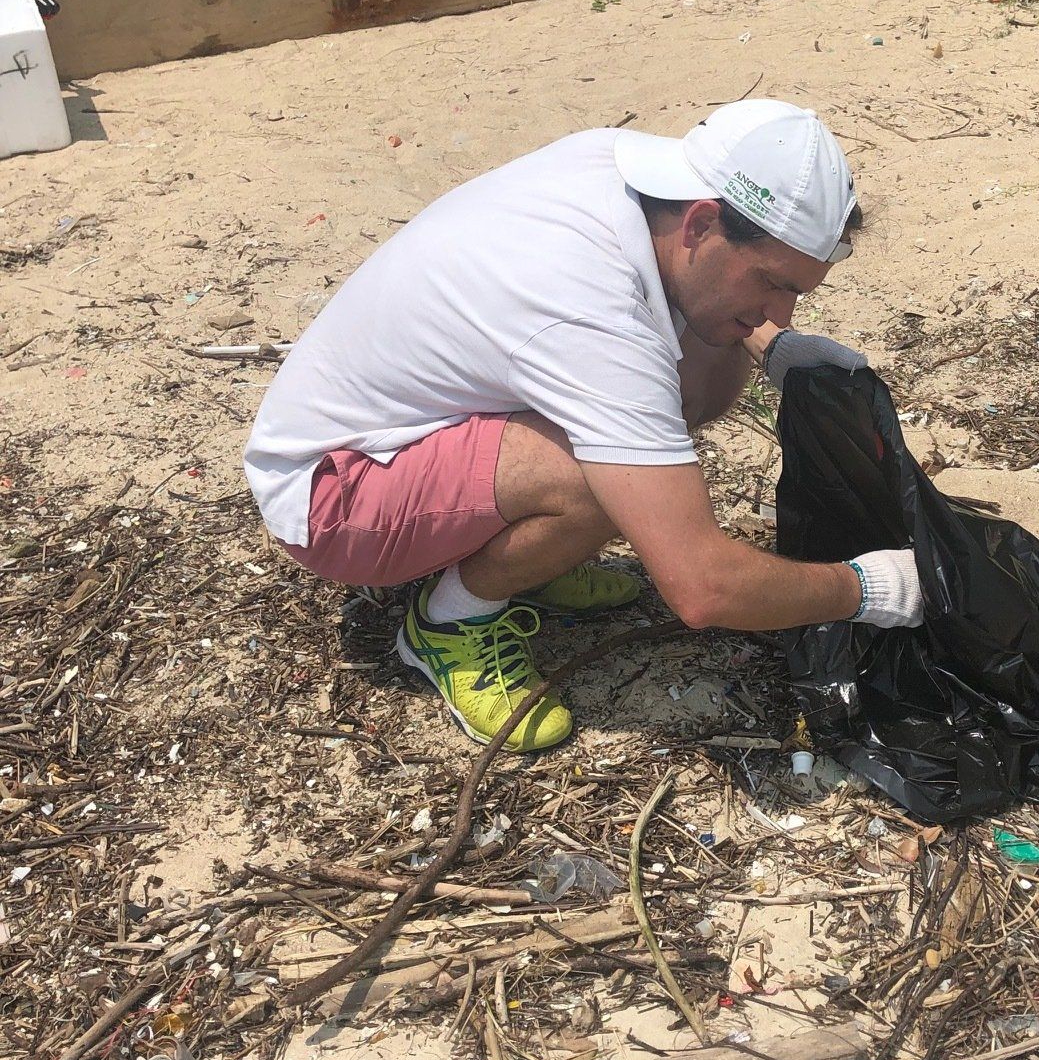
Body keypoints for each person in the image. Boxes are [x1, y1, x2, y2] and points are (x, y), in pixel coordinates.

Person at [244, 100, 923, 749]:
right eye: (772, 284)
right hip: (332, 494)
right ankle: (448, 623)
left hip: (409, 425)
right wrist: (873, 589)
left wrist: (770, 345)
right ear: (700, 224)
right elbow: (702, 588)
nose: (782, 311)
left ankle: (524, 560)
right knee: (601, 480)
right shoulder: (587, 312)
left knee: (668, 398)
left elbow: (685, 366)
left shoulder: (631, 177)